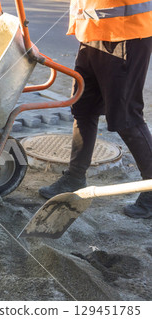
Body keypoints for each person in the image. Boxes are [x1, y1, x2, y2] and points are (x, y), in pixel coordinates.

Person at [39, 0, 152, 218]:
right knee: (83, 108)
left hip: (124, 33)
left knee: (126, 117)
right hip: (92, 32)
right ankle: (75, 176)